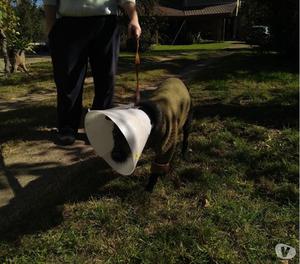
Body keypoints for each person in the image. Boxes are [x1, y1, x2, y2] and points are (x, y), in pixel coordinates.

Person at [44, 0, 141, 145]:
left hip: (105, 24)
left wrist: (134, 19)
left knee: (106, 78)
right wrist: (50, 28)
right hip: (68, 24)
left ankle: (99, 127)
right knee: (68, 78)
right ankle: (68, 127)